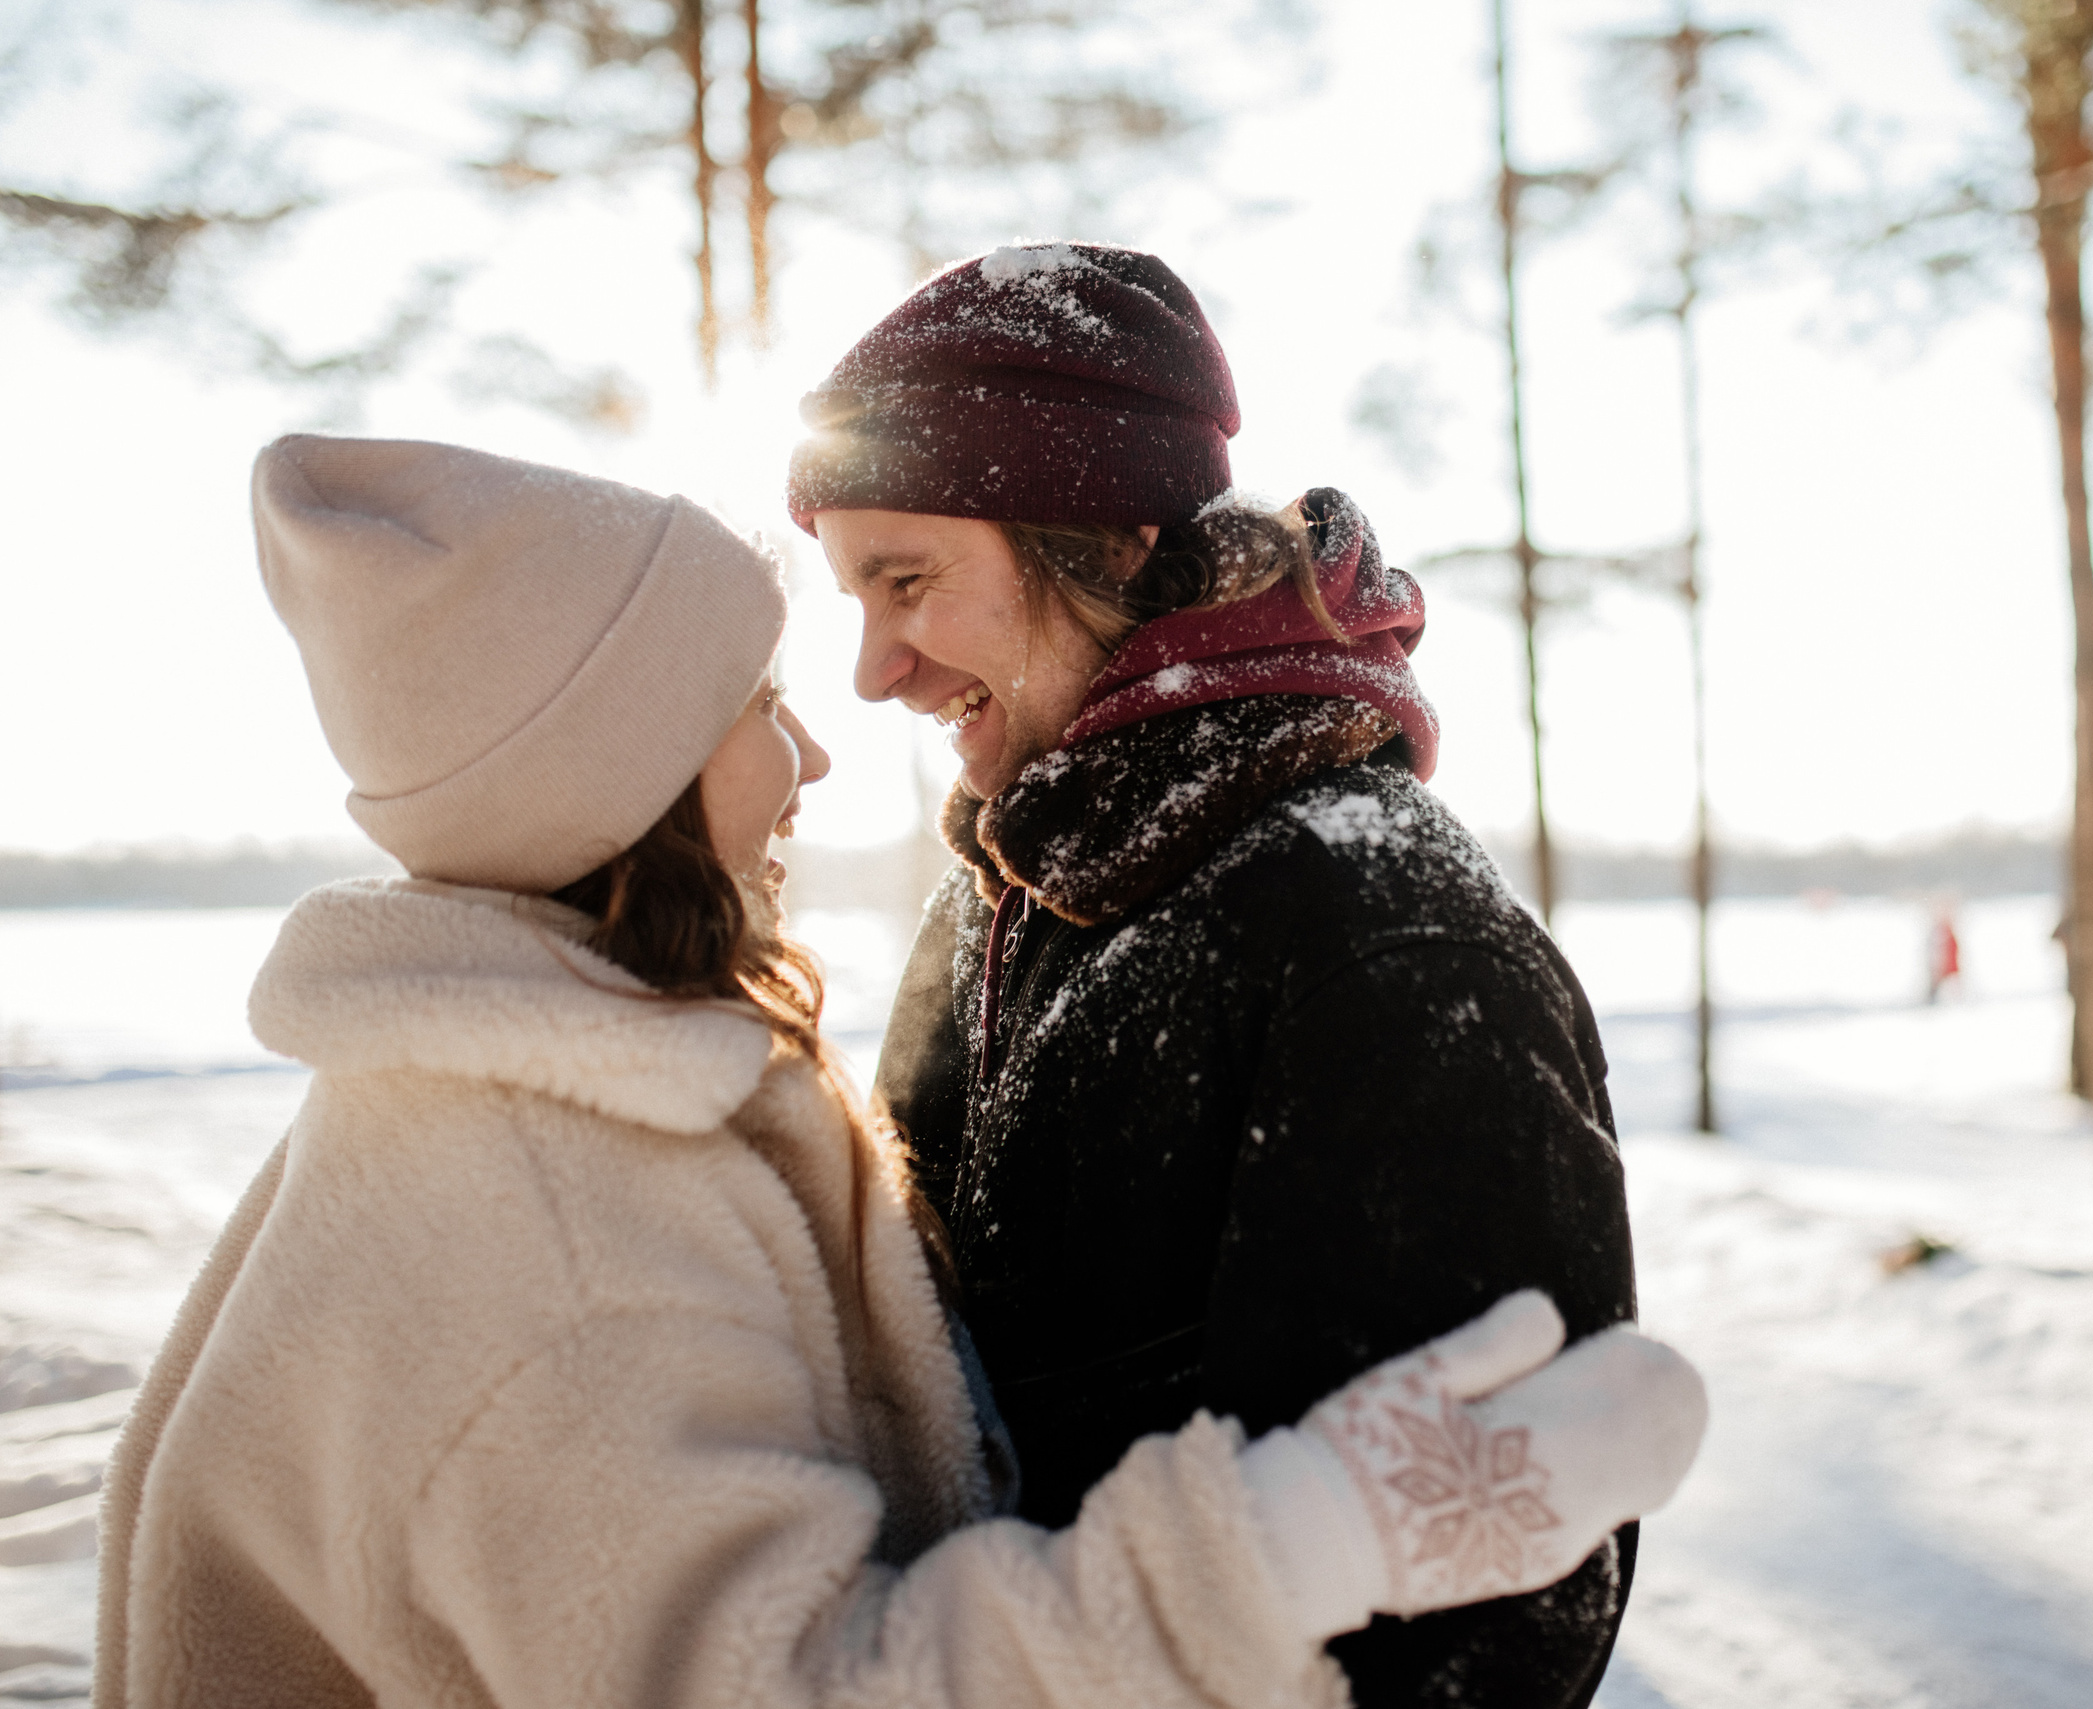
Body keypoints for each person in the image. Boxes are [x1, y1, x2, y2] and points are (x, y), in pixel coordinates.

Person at [91, 436, 1707, 1708]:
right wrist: (1298, 1537)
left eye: (901, 585)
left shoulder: (578, 1081)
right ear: (615, 777)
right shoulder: (552, 1226)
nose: (825, 737)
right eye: (760, 700)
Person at [789, 241, 1642, 1709]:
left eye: (907, 581)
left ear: (1104, 539)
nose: (876, 670)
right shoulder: (1004, 891)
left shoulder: (1372, 929)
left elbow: (1496, 1598)